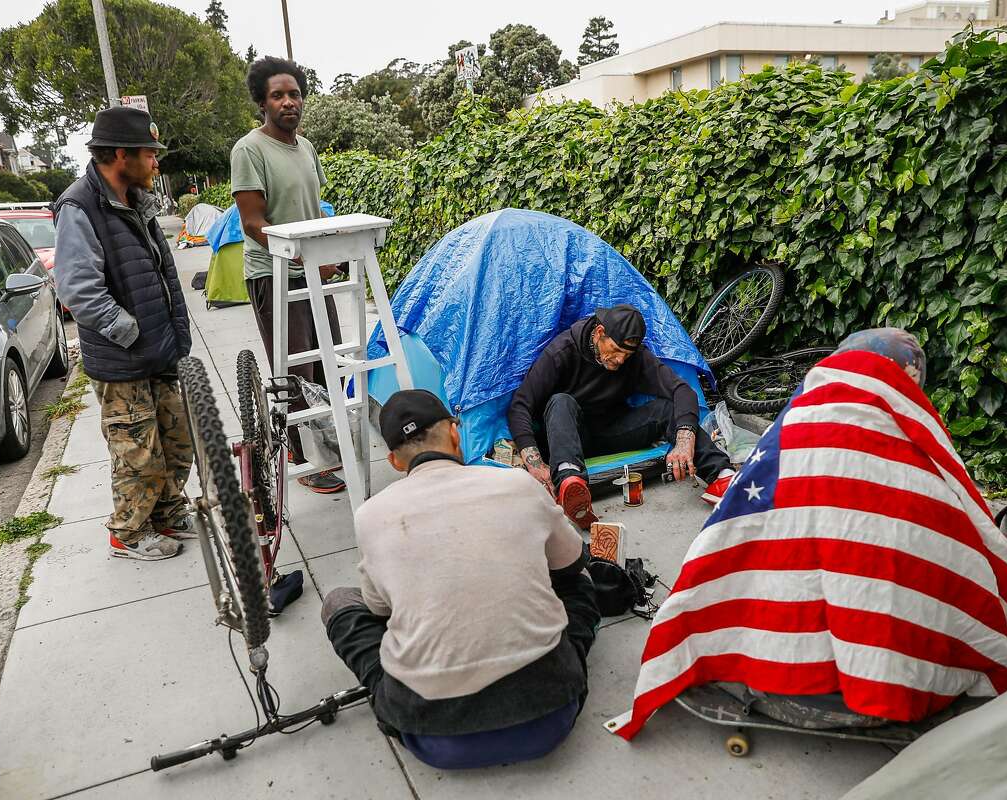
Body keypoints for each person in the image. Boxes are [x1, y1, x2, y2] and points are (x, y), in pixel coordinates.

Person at [609, 328, 1007, 740]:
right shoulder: (925, 455)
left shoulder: (792, 430)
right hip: (905, 684)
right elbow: (966, 550)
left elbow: (725, 539)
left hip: (777, 674)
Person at [321, 389, 599, 769]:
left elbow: (378, 609)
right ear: (455, 433)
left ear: (394, 461)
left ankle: (387, 691)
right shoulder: (518, 484)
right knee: (579, 581)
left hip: (433, 738)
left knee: (339, 602)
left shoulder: (370, 515)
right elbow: (570, 564)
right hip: (550, 716)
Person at [52, 107, 194, 561]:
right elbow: (78, 290)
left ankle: (169, 513)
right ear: (119, 154)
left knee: (176, 440)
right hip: (123, 359)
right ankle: (128, 534)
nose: (156, 162)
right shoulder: (79, 207)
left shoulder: (137, 199)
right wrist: (131, 334)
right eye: (149, 154)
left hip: (159, 352)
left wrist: (171, 337)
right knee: (138, 453)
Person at [508, 304, 734, 528]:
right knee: (560, 401)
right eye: (615, 350)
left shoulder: (635, 358)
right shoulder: (562, 351)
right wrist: (534, 463)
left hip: (613, 430)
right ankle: (571, 483)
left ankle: (723, 477)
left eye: (626, 355)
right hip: (566, 437)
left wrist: (685, 441)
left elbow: (681, 390)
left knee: (666, 409)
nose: (620, 361)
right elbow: (520, 405)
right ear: (599, 334)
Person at [231, 56, 346, 494]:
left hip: (313, 271)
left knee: (326, 361)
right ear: (262, 102)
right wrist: (304, 257)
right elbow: (253, 224)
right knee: (294, 370)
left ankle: (330, 443)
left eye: (294, 93)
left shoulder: (306, 147)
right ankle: (304, 456)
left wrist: (328, 250)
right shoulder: (250, 150)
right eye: (277, 95)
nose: (288, 102)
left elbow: (316, 212)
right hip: (274, 275)